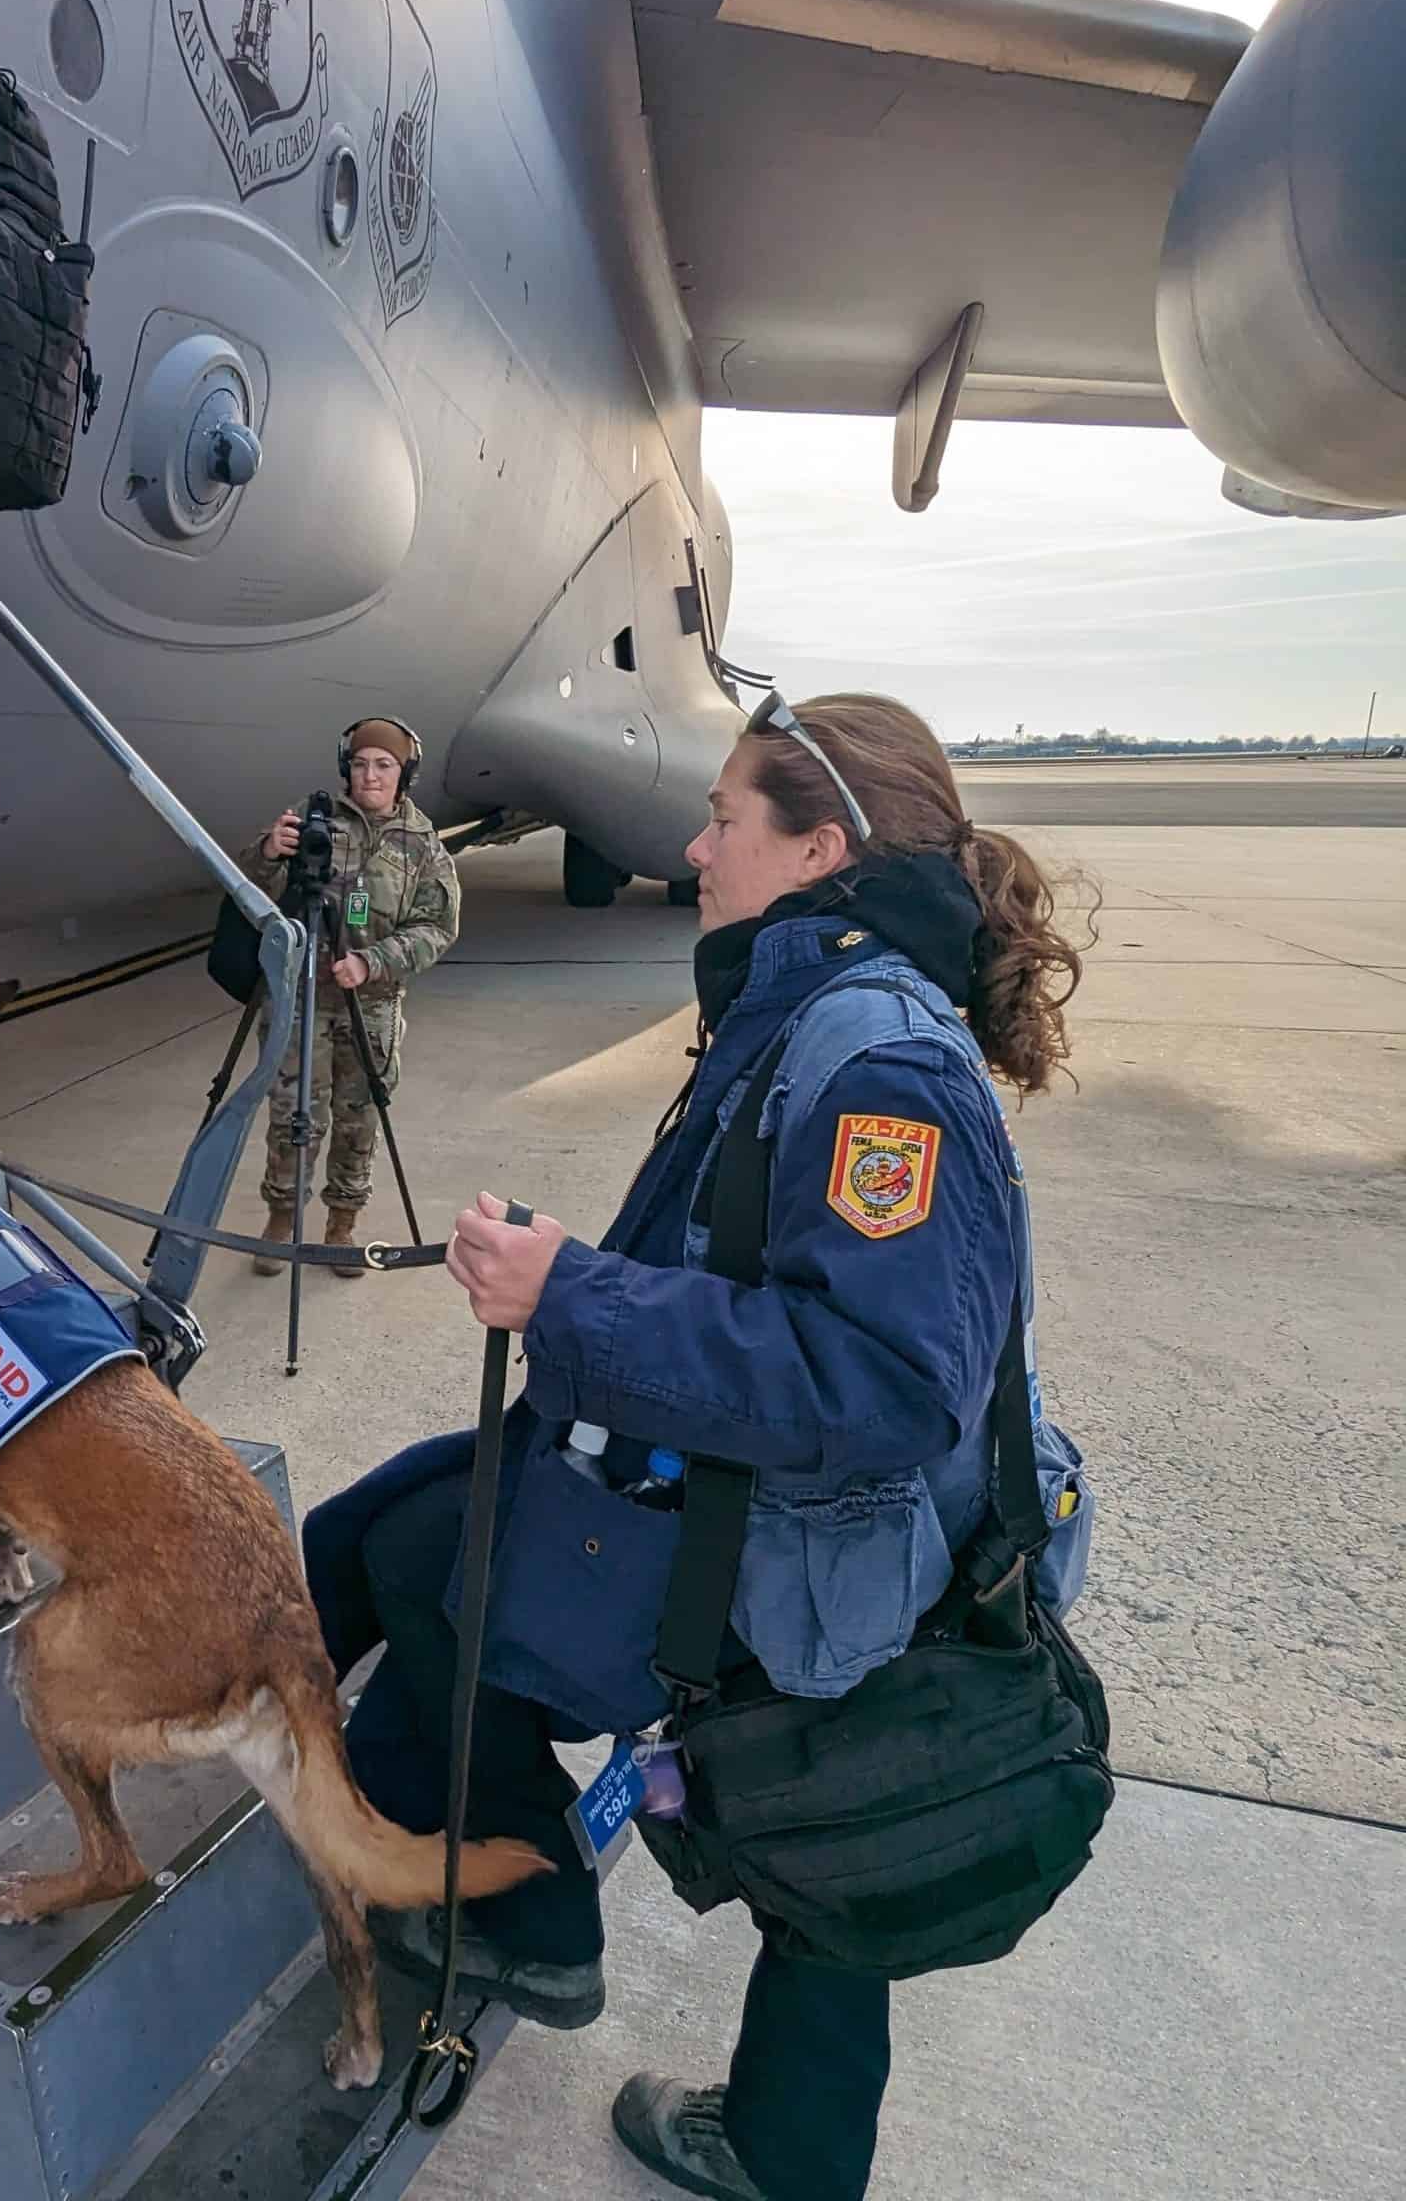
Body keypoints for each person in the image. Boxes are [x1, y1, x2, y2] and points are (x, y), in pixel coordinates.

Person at [304, 693, 1088, 2201]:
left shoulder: (876, 1065)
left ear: (815, 848)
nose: (691, 843)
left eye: (724, 817)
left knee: (413, 1564)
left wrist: (573, 1296)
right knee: (824, 1868)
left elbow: (872, 1378)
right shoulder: (811, 1008)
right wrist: (580, 1286)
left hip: (810, 1558)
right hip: (831, 1544)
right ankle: (779, 2154)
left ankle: (526, 1921)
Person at [238, 717, 459, 1268]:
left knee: (358, 1118)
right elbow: (248, 895)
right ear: (345, 767)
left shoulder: (422, 843)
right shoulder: (315, 822)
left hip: (372, 1005)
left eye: (383, 765)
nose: (369, 775)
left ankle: (342, 1224)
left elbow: (437, 927)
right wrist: (268, 851)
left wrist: (372, 961)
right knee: (294, 1113)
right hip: (302, 997)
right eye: (360, 764)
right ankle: (283, 1216)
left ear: (403, 772)